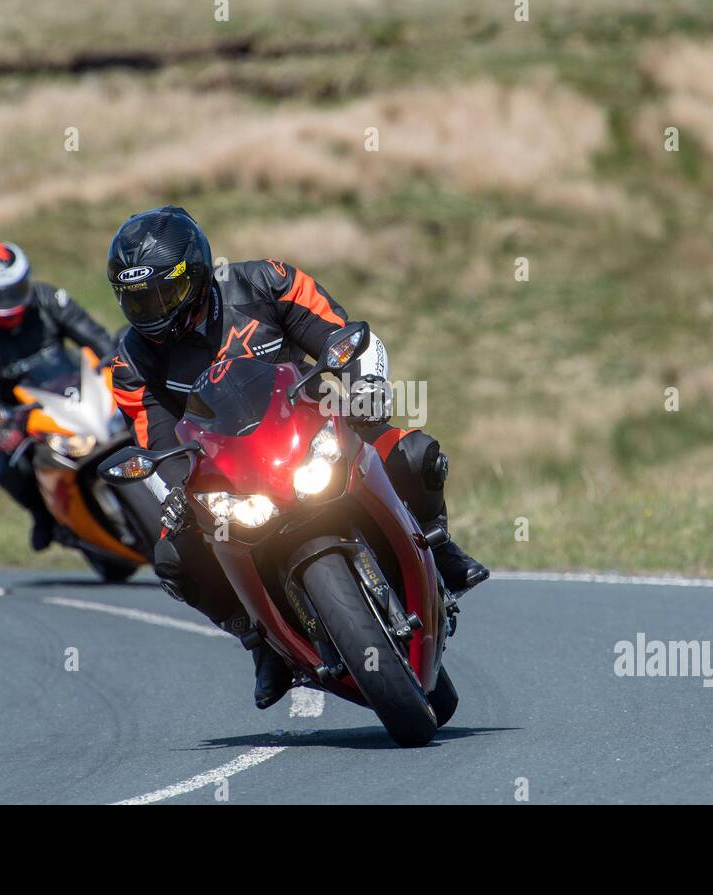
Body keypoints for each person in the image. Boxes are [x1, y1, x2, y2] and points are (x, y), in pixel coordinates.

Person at [106, 206, 488, 708]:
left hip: (317, 430)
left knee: (415, 453)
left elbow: (348, 336)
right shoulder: (129, 361)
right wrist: (176, 491)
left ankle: (441, 550)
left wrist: (367, 385)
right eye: (138, 302)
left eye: (164, 294)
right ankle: (259, 640)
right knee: (174, 558)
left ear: (196, 276)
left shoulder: (267, 281)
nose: (153, 312)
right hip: (232, 473)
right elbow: (155, 442)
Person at [0, 241, 116, 551]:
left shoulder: (48, 299)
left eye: (13, 290)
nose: (7, 304)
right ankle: (45, 517)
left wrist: (116, 359)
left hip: (81, 393)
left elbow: (96, 336)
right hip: (29, 417)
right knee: (9, 471)